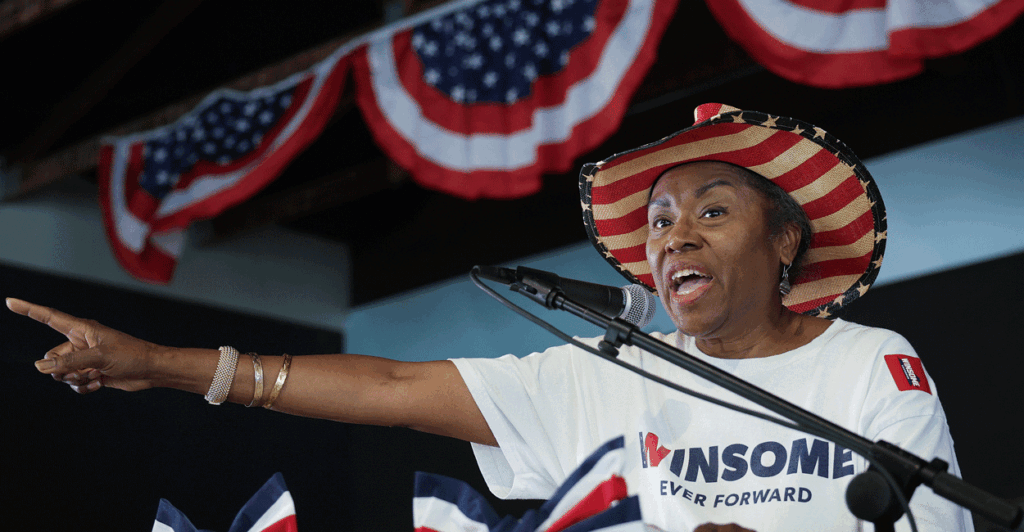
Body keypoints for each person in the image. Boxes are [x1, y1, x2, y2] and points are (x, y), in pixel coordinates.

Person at [8, 103, 972, 532]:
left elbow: (939, 529)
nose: (674, 238)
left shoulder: (869, 363)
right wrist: (167, 365)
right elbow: (390, 388)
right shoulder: (613, 367)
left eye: (712, 212)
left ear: (786, 244)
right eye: (661, 221)